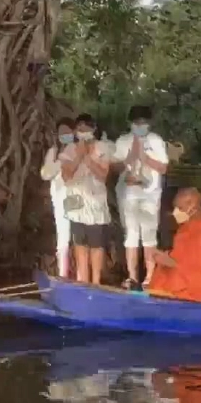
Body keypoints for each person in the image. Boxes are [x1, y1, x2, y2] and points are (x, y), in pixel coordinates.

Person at [112, 105, 169, 290]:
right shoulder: (123, 141)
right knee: (131, 234)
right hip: (128, 193)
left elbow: (163, 167)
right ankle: (132, 276)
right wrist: (130, 157)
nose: (140, 126)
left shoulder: (156, 140)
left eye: (144, 123)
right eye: (137, 123)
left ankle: (150, 277)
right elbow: (114, 168)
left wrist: (145, 159)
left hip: (150, 193)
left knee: (149, 234)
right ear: (130, 123)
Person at [147, 187, 201, 303]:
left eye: (180, 208)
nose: (175, 212)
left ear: (193, 209)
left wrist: (173, 264)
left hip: (200, 297)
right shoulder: (184, 231)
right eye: (174, 207)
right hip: (171, 294)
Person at [58, 114, 113, 285]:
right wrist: (79, 156)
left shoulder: (102, 148)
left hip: (96, 204)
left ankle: (96, 281)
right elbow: (66, 176)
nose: (83, 132)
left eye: (87, 129)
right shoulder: (68, 150)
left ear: (94, 130)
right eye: (80, 129)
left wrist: (88, 158)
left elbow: (103, 175)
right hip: (76, 204)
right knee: (80, 243)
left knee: (96, 244)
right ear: (75, 131)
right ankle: (83, 279)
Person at [38, 117, 77, 278]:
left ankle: (81, 274)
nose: (64, 135)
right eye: (61, 132)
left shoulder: (77, 149)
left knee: (79, 236)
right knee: (63, 237)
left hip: (78, 198)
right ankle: (63, 273)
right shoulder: (53, 152)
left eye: (67, 132)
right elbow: (45, 174)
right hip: (60, 199)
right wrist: (59, 162)